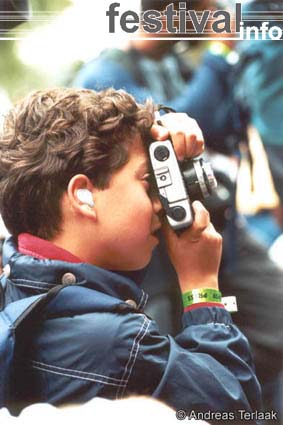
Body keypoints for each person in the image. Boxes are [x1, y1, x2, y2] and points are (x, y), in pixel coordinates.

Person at [0, 87, 261, 422]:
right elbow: (235, 407)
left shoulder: (19, 287)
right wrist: (201, 287)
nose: (159, 204)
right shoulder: (118, 343)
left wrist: (155, 132)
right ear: (82, 195)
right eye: (147, 182)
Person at [73, 1, 283, 414]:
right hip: (158, 256)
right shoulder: (105, 75)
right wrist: (220, 54)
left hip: (219, 232)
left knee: (272, 332)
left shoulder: (177, 65)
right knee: (182, 369)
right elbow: (173, 140)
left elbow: (221, 128)